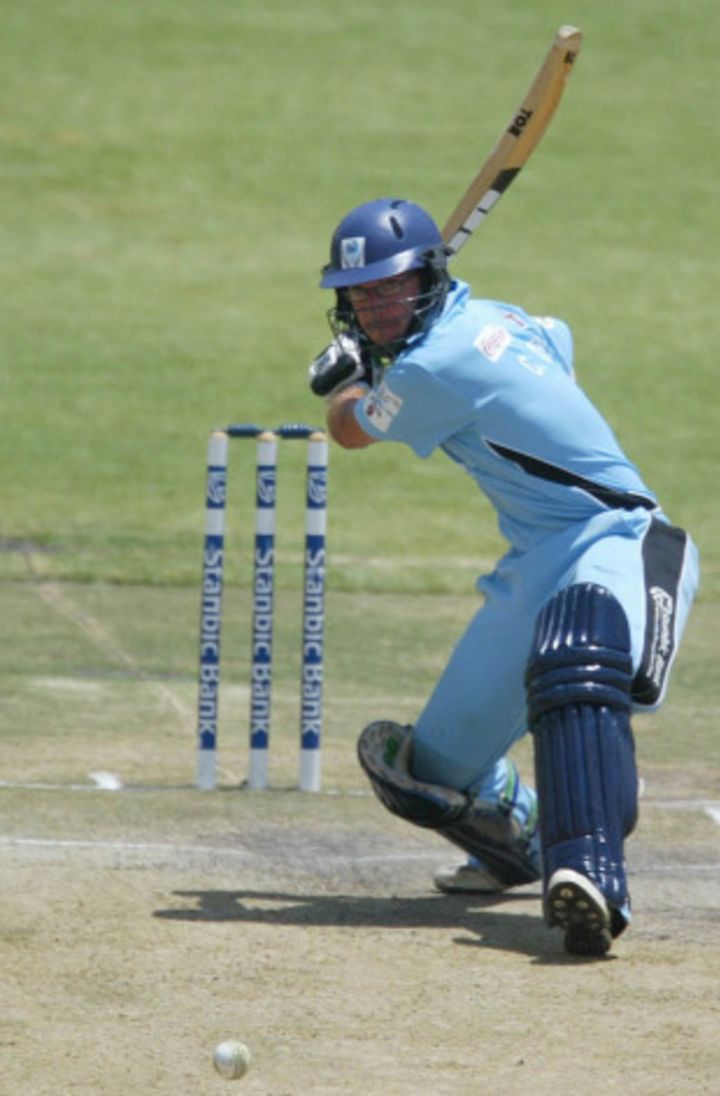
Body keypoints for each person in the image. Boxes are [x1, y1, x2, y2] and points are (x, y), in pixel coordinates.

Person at [308, 197, 699, 957]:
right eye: (359, 294)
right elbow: (557, 337)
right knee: (423, 772)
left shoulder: (435, 366)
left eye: (390, 288)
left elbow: (350, 432)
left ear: (426, 278)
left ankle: (591, 870)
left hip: (620, 539)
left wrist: (347, 387)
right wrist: (388, 371)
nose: (375, 307)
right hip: (536, 559)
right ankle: (521, 839)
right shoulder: (501, 319)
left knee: (572, 655)